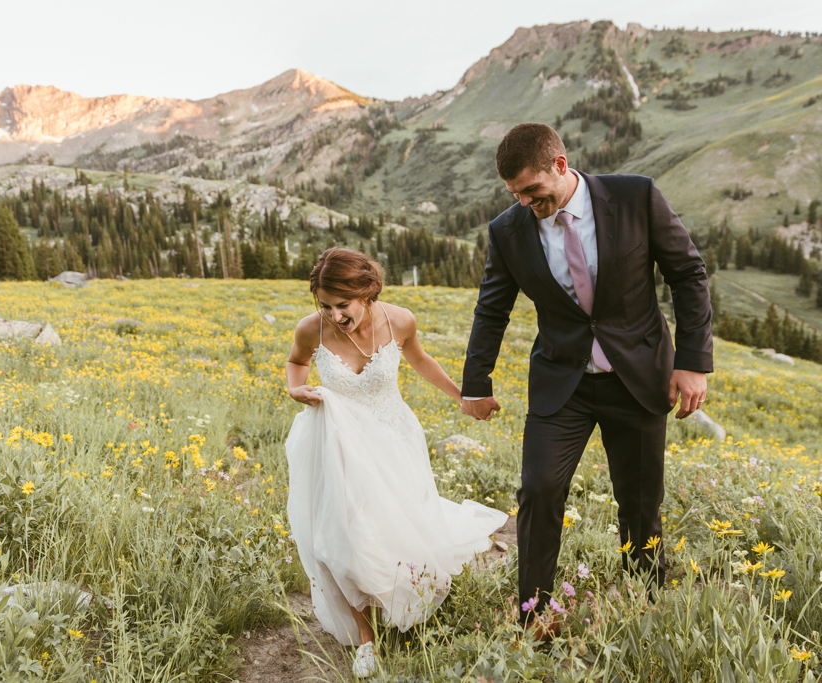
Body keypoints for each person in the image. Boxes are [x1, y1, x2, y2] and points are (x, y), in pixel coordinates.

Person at [460, 123, 713, 638]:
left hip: (639, 376)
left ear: (560, 164)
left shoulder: (635, 195)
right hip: (562, 382)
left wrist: (692, 362)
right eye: (516, 194)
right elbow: (492, 310)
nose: (528, 202)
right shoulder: (508, 231)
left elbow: (687, 274)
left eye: (533, 190)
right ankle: (534, 616)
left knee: (641, 500)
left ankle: (646, 606)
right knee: (538, 489)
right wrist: (476, 383)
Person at [285, 247, 508, 678]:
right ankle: (365, 638)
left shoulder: (399, 320)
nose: (335, 315)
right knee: (338, 536)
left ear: (367, 292)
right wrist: (297, 389)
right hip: (336, 443)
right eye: (326, 306)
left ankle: (402, 596)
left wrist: (463, 398)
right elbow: (296, 363)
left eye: (343, 305)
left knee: (394, 526)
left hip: (391, 438)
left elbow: (420, 360)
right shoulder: (311, 329)